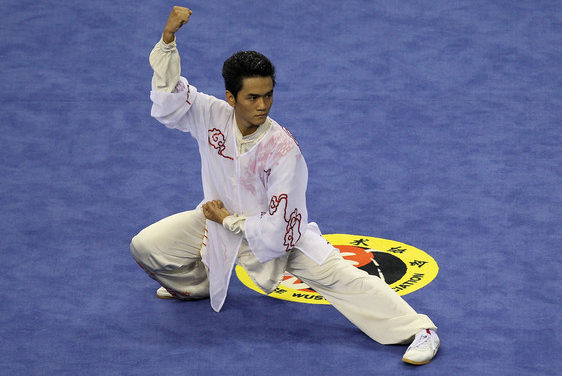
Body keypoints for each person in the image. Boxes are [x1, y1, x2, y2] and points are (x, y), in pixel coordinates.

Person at [130, 6, 440, 365]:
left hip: (275, 238)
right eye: (252, 97)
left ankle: (418, 329)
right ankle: (197, 285)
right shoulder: (210, 114)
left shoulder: (282, 149)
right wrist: (168, 41)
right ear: (230, 98)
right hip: (216, 222)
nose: (263, 106)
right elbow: (169, 100)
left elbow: (280, 228)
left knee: (344, 279)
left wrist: (230, 220)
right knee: (147, 246)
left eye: (268, 95)